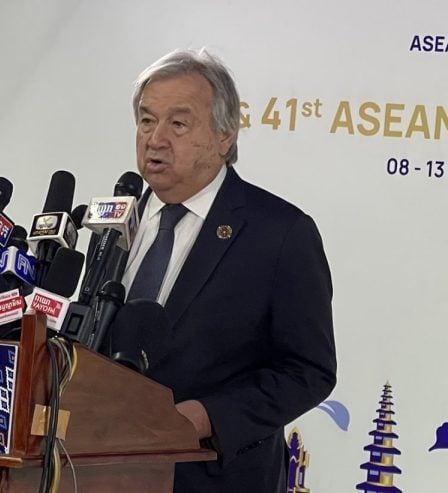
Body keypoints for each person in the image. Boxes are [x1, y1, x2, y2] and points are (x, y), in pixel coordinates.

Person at [121, 48, 337, 492]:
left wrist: (208, 416)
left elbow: (308, 369)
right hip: (98, 471)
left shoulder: (279, 233)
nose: (155, 138)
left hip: (211, 477)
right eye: (146, 120)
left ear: (224, 135)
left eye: (178, 124)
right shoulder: (113, 222)